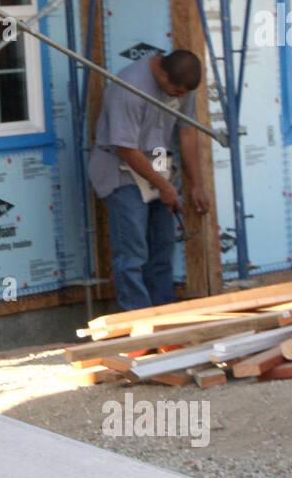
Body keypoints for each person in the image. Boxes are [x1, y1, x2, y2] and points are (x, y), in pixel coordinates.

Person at [89, 48, 211, 311]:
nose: (181, 97)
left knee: (162, 249)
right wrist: (165, 187)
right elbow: (125, 148)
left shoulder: (182, 87)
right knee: (132, 254)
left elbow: (187, 132)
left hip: (157, 161)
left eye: (184, 93)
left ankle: (165, 317)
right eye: (177, 91)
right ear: (163, 75)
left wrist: (197, 184)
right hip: (122, 170)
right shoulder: (129, 88)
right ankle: (139, 322)